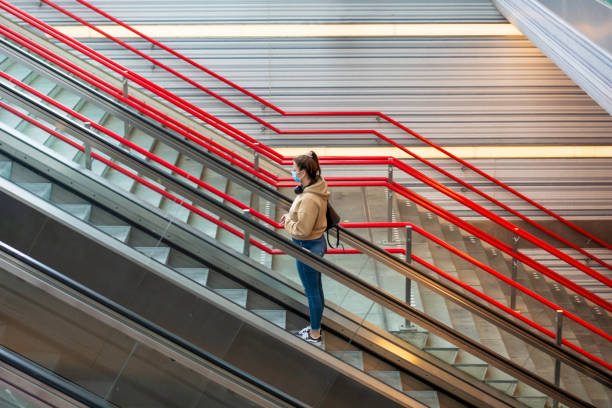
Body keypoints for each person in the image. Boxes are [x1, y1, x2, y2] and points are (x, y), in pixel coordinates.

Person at [279, 151, 329, 346]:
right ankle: (316, 326)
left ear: (303, 173)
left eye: (294, 170)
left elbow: (302, 230)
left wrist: (288, 223)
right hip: (316, 243)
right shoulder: (317, 185)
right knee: (316, 287)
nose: (292, 172)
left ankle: (314, 334)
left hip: (306, 246)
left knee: (312, 291)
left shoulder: (309, 199)